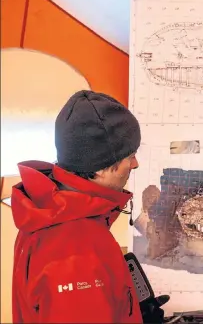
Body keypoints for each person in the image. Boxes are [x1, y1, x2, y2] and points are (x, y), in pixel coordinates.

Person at [10, 90, 167, 323]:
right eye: (129, 155)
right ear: (101, 166)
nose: (135, 164)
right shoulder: (74, 251)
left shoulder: (51, 210)